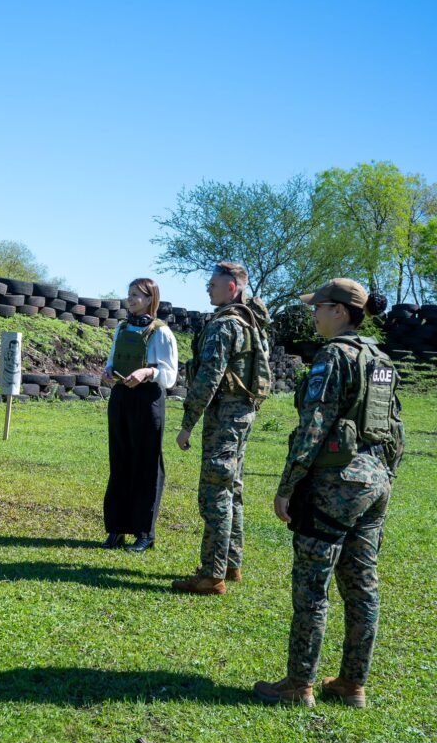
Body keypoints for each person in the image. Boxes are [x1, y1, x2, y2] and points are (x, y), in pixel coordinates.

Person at [254, 279, 402, 708]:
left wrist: (288, 486)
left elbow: (313, 425)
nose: (313, 314)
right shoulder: (379, 357)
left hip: (336, 486)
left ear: (339, 311)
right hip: (375, 483)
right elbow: (396, 428)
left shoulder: (334, 356)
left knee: (311, 587)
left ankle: (298, 685)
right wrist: (383, 475)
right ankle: (352, 684)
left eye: (319, 307)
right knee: (361, 586)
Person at [172, 262, 271, 594]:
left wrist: (188, 423)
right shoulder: (251, 322)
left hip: (224, 419)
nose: (208, 289)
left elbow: (208, 378)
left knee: (215, 492)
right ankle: (231, 564)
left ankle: (211, 574)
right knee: (233, 489)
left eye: (213, 284)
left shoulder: (225, 325)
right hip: (243, 415)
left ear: (232, 288)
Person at [101, 278, 178, 552]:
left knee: (147, 464)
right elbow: (113, 359)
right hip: (122, 396)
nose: (130, 299)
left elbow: (170, 375)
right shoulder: (122, 328)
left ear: (150, 298)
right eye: (129, 294)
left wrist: (148, 372)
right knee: (120, 460)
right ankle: (116, 530)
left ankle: (145, 533)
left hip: (147, 400)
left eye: (136, 295)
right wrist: (108, 371)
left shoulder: (161, 332)